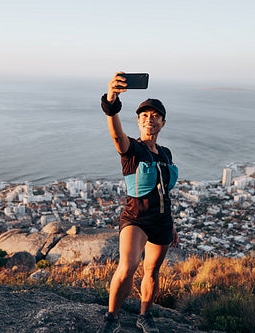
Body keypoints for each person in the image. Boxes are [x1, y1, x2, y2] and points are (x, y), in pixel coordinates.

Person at [97, 72, 179, 333]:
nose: (149, 119)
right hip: (136, 217)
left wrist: (172, 225)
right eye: (144, 116)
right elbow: (114, 134)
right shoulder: (131, 148)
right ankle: (112, 318)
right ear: (138, 121)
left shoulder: (166, 153)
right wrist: (111, 101)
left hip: (162, 220)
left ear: (163, 123)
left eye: (155, 116)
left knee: (152, 272)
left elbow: (164, 191)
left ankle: (145, 315)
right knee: (129, 265)